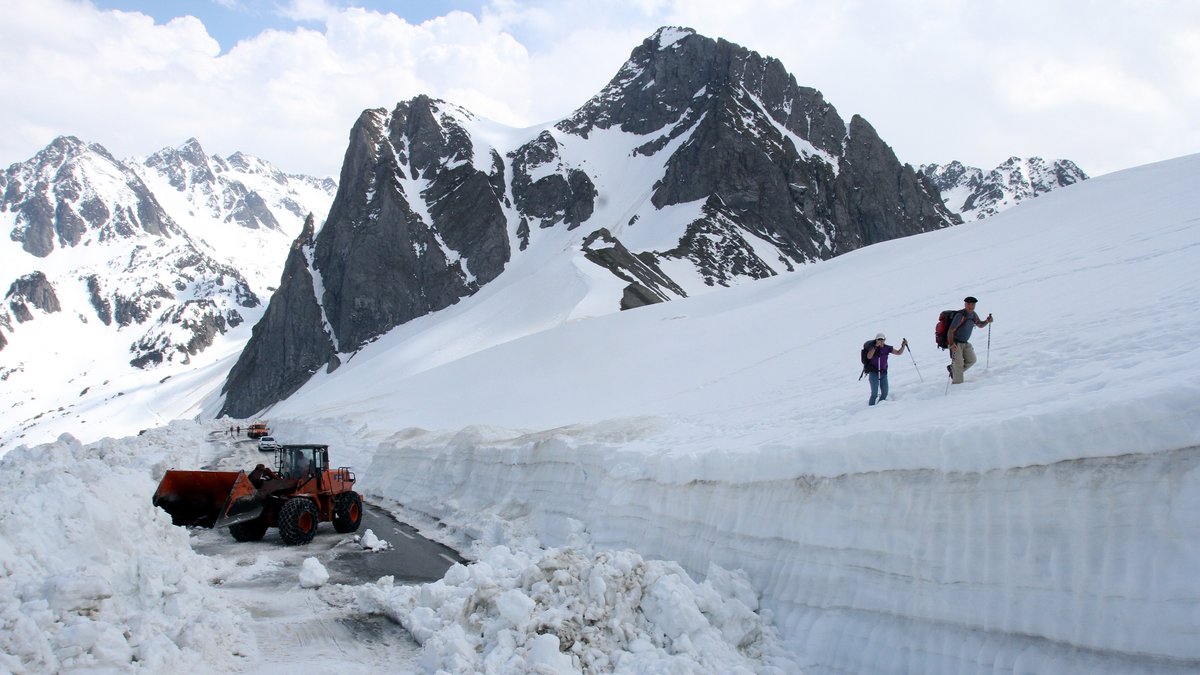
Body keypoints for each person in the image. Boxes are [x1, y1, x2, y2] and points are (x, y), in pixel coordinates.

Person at [947, 296, 993, 384]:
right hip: (956, 343)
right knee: (959, 364)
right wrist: (952, 344)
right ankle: (957, 385)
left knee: (972, 360)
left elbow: (979, 324)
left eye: (973, 304)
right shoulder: (960, 315)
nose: (971, 306)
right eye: (969, 304)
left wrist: (987, 321)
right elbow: (950, 331)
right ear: (965, 304)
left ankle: (954, 370)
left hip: (965, 343)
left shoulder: (973, 315)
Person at [865, 333, 907, 405]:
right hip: (873, 373)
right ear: (876, 340)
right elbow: (869, 356)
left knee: (885, 392)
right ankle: (871, 408)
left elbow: (898, 352)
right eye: (879, 339)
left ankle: (881, 407)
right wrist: (875, 347)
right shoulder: (873, 348)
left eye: (882, 339)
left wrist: (903, 346)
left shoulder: (887, 348)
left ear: (885, 340)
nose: (881, 341)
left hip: (883, 373)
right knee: (874, 394)